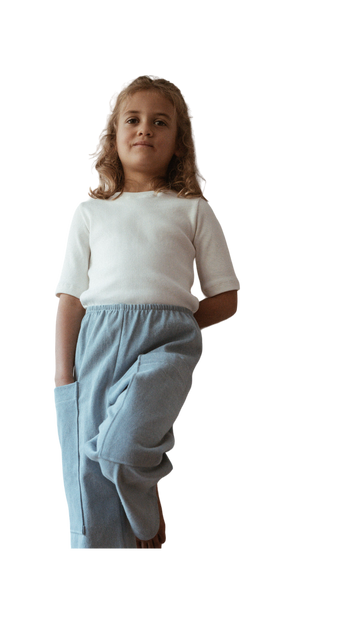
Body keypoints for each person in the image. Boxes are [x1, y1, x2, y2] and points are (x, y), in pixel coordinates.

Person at [51, 72, 243, 551]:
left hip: (169, 342)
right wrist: (62, 378)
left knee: (120, 449)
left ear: (179, 143)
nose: (145, 130)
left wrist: (174, 321)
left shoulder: (195, 209)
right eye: (133, 120)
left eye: (161, 122)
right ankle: (123, 524)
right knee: (90, 475)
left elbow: (227, 298)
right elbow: (70, 298)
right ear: (113, 135)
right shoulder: (88, 212)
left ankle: (144, 502)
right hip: (96, 342)